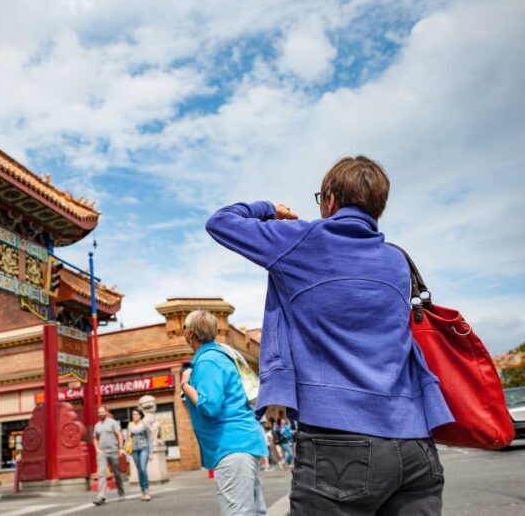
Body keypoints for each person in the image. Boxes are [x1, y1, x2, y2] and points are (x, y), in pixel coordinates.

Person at [206, 155, 454, 515]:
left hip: (339, 441)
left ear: (331, 199)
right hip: (416, 444)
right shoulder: (397, 261)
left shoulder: (301, 240)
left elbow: (221, 222)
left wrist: (269, 209)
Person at [180, 310, 269, 516]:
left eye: (184, 327)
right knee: (253, 512)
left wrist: (185, 384)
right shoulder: (223, 355)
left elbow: (210, 406)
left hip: (231, 445)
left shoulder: (207, 361)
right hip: (245, 441)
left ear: (190, 333)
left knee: (238, 512)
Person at [92, 405, 126, 506]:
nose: (101, 414)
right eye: (99, 412)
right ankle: (101, 497)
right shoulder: (97, 425)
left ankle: (121, 493)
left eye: (102, 412)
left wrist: (120, 448)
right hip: (102, 453)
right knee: (102, 474)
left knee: (117, 473)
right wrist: (97, 449)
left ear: (106, 412)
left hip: (113, 451)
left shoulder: (113, 423)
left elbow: (119, 434)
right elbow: (95, 438)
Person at [126, 408, 153, 501]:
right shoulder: (130, 425)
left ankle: (146, 490)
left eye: (136, 414)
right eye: (133, 414)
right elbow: (128, 439)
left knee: (143, 468)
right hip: (134, 450)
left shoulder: (145, 424)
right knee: (139, 470)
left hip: (144, 449)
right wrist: (127, 452)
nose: (134, 416)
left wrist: (151, 452)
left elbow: (149, 438)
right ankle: (142, 491)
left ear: (140, 415)